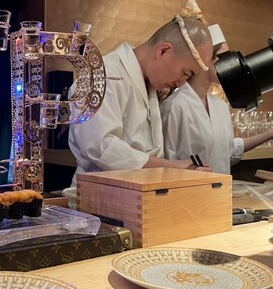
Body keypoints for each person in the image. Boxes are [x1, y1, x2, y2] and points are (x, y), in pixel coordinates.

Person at [68, 15, 213, 182]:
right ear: (164, 51)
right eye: (185, 73)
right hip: (96, 192)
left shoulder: (150, 84)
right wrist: (170, 167)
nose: (181, 83)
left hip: (139, 190)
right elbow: (99, 147)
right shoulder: (104, 74)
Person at [160, 24, 273, 174]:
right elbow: (165, 162)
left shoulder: (220, 106)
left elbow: (227, 151)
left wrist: (269, 133)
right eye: (223, 57)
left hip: (222, 186)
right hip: (190, 188)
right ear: (205, 59)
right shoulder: (175, 106)